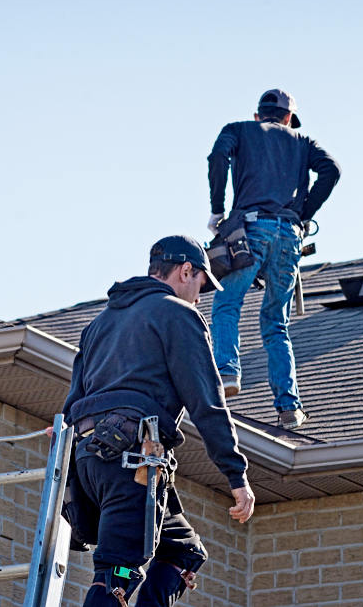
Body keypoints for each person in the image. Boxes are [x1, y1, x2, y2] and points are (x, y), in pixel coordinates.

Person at [61, 235, 256, 606]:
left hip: (90, 462)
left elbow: (72, 406)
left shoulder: (98, 325)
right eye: (201, 285)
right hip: (131, 461)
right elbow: (207, 403)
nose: (200, 297)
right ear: (186, 271)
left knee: (183, 551)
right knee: (116, 574)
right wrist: (236, 476)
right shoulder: (178, 315)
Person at [207, 88, 341, 430]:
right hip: (289, 237)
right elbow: (332, 170)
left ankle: (226, 373)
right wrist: (303, 212)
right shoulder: (302, 142)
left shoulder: (238, 130)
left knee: (226, 303)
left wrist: (218, 210)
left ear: (257, 115)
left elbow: (217, 157)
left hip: (251, 231)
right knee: (275, 323)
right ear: (287, 118)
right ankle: (289, 407)